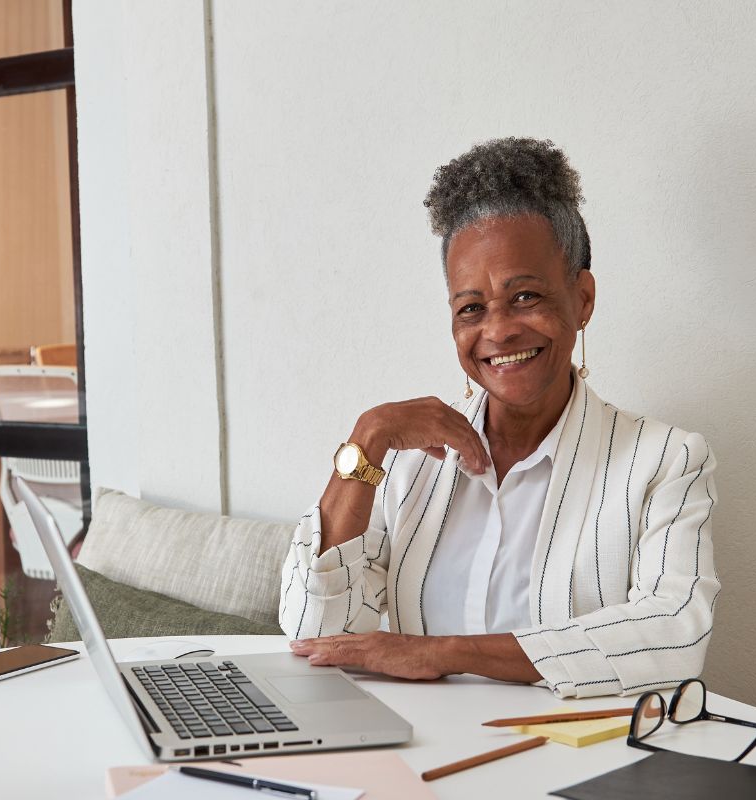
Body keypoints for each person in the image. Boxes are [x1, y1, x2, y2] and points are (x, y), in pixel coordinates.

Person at [280, 138, 719, 698]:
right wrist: (366, 442)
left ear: (582, 298)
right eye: (471, 308)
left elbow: (671, 636)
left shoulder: (665, 460)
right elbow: (313, 634)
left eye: (526, 296)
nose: (499, 330)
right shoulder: (406, 466)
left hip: (577, 766)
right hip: (427, 762)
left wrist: (440, 654)